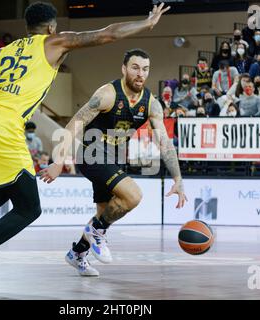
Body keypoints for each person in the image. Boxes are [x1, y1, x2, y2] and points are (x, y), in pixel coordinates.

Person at [0, 2, 172, 289]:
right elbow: (108, 34)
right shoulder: (54, 42)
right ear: (52, 27)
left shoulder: (7, 50)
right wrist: (146, 23)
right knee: (29, 209)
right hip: (4, 124)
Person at [40, 48, 186, 277]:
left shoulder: (151, 104)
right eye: (135, 68)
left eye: (145, 69)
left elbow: (164, 143)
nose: (140, 74)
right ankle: (96, 231)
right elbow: (74, 124)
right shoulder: (107, 94)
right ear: (124, 69)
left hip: (115, 159)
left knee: (106, 211)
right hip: (91, 155)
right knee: (133, 196)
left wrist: (178, 178)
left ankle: (77, 253)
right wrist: (59, 161)